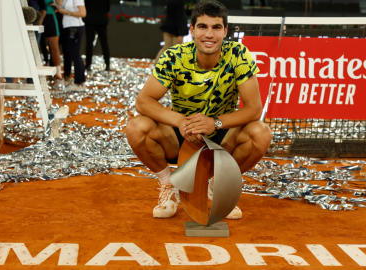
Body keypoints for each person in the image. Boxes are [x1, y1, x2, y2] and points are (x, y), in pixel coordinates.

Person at [126, 0, 272, 219]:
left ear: (225, 31)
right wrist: (180, 122)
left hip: (222, 136)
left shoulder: (238, 54)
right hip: (182, 135)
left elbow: (254, 109)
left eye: (216, 27)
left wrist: (215, 122)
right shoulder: (174, 56)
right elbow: (143, 101)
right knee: (137, 127)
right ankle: (169, 185)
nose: (209, 34)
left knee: (261, 133)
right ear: (192, 30)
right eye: (203, 27)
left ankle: (219, 185)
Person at [52, 0, 87, 90]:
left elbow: (83, 13)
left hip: (75, 27)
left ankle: (78, 83)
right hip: (69, 27)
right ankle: (81, 82)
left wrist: (67, 12)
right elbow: (60, 5)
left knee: (75, 55)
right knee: (76, 54)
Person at [84, 0, 111, 71]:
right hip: (101, 19)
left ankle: (88, 65)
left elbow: (85, 5)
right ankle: (107, 65)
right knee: (104, 43)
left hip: (90, 19)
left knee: (89, 43)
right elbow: (108, 7)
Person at [43, 0, 63, 80]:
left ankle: (58, 72)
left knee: (54, 46)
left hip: (50, 15)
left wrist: (55, 4)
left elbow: (60, 4)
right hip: (37, 14)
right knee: (34, 45)